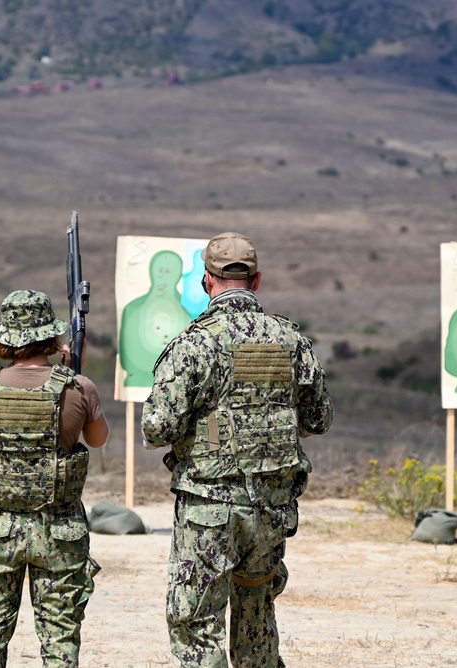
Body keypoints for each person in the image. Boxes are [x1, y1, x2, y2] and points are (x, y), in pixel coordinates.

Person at [141, 232, 333, 667]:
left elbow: (157, 428)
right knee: (257, 617)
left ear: (205, 281)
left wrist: (210, 430)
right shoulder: (291, 341)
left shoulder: (194, 344)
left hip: (210, 506)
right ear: (257, 280)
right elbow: (319, 420)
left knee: (196, 623)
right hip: (272, 507)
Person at [0, 289, 109, 668]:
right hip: (60, 530)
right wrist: (78, 380)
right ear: (52, 337)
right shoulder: (77, 388)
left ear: (6, 337)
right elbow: (98, 439)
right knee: (60, 636)